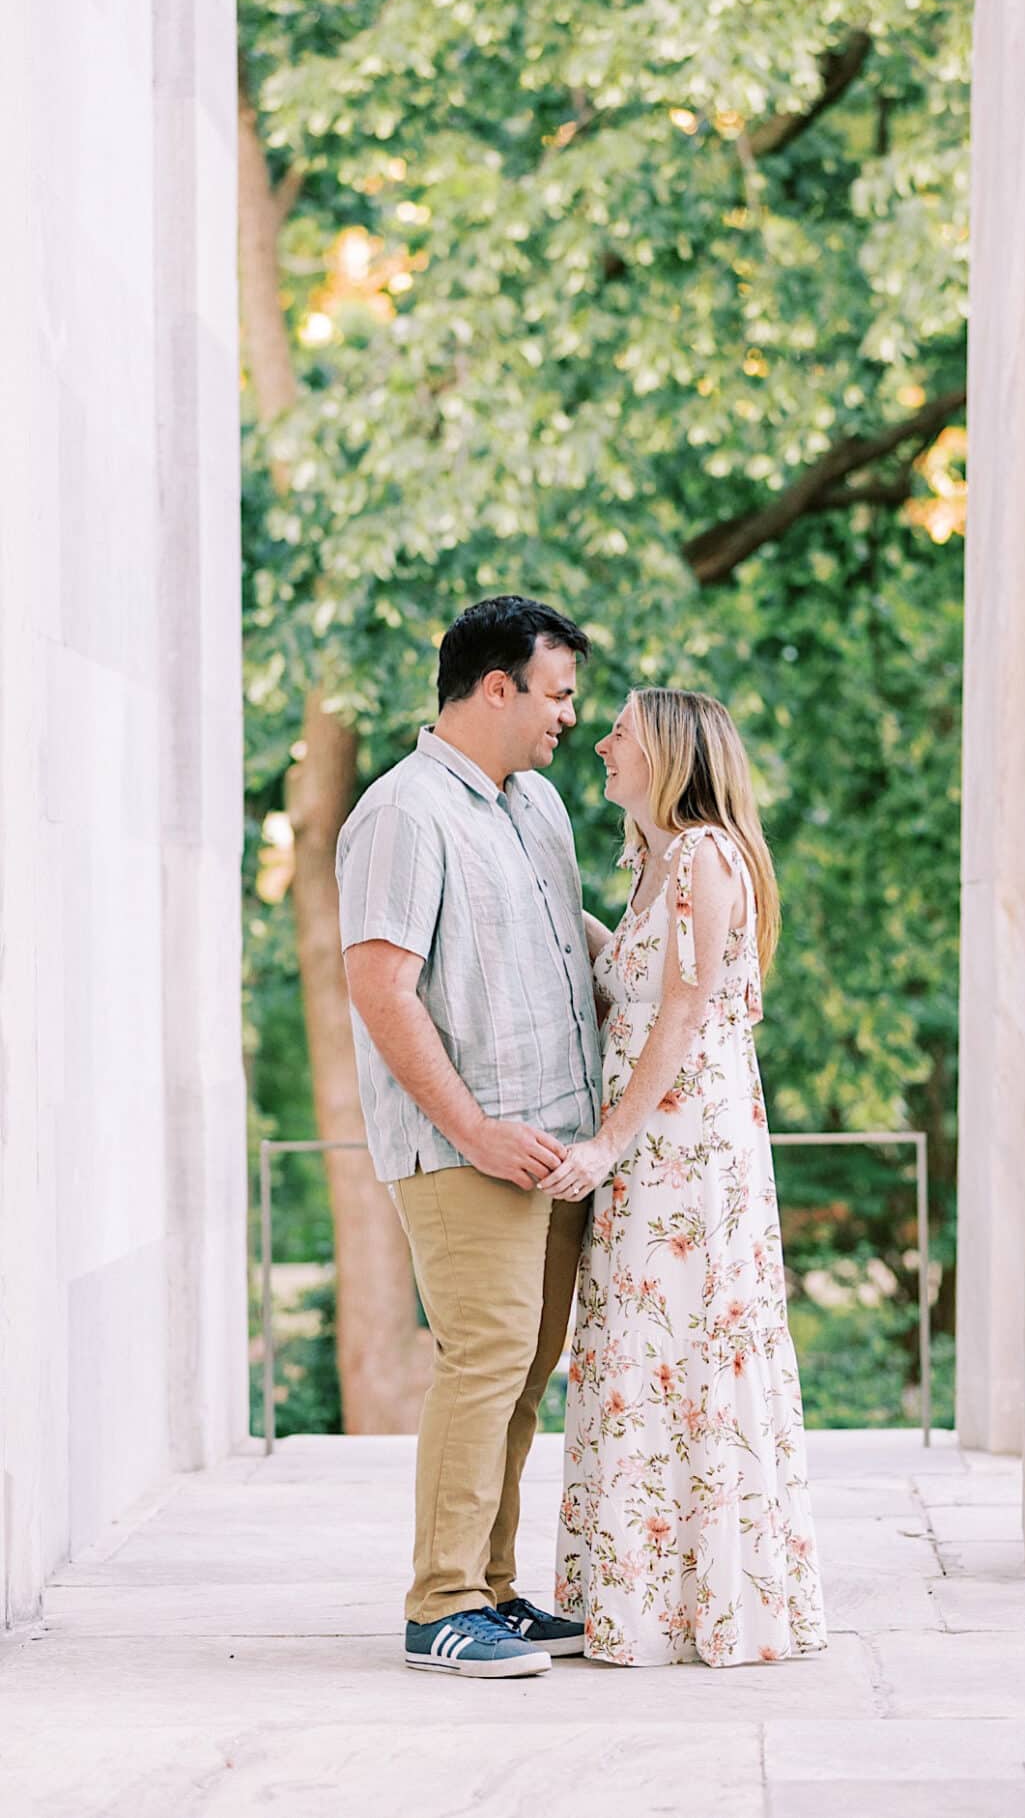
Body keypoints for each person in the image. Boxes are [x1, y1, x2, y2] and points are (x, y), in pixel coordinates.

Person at [338, 595, 602, 1679]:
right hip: (465, 1149)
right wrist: (477, 1129)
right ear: (495, 687)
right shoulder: (403, 813)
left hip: (557, 1143)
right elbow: (380, 987)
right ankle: (439, 1603)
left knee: (526, 1370)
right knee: (484, 1358)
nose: (569, 717)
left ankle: (491, 1588)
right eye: (557, 693)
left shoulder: (536, 805)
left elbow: (572, 945)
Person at [543, 687, 827, 1666]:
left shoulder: (705, 854)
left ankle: (709, 1603)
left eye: (620, 728)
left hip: (682, 1159)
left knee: (687, 1347)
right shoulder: (653, 866)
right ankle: (643, 1598)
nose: (604, 741)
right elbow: (630, 972)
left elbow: (678, 1014)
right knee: (640, 1358)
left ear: (666, 751)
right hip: (645, 1156)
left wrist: (606, 1144)